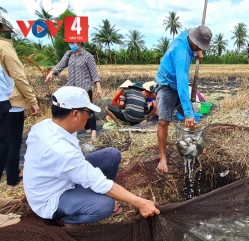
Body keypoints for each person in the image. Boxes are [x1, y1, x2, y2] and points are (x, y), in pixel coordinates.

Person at [23, 86, 160, 227]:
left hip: (60, 179)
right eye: (87, 112)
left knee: (111, 155)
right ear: (75, 113)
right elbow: (98, 182)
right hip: (51, 197)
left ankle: (90, 197)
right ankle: (69, 219)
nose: (89, 116)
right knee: (105, 205)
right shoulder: (61, 151)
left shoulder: (46, 126)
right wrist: (141, 203)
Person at [155, 25, 212, 172]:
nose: (200, 48)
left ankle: (195, 144)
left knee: (190, 115)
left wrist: (198, 50)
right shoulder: (182, 55)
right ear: (193, 41)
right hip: (166, 84)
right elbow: (182, 85)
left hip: (177, 82)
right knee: (163, 121)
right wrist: (187, 112)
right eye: (198, 46)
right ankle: (162, 157)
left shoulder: (187, 35)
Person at [0, 20, 41, 190]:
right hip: (10, 101)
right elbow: (18, 76)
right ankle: (12, 181)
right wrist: (33, 101)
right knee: (12, 141)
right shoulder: (4, 47)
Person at [45, 42, 103, 140]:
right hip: (72, 90)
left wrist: (98, 87)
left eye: (72, 43)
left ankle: (93, 133)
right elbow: (60, 65)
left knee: (88, 110)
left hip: (84, 89)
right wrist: (51, 73)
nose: (70, 45)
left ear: (79, 43)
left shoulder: (88, 56)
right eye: (69, 43)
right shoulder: (69, 54)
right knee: (73, 110)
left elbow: (94, 74)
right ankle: (86, 130)